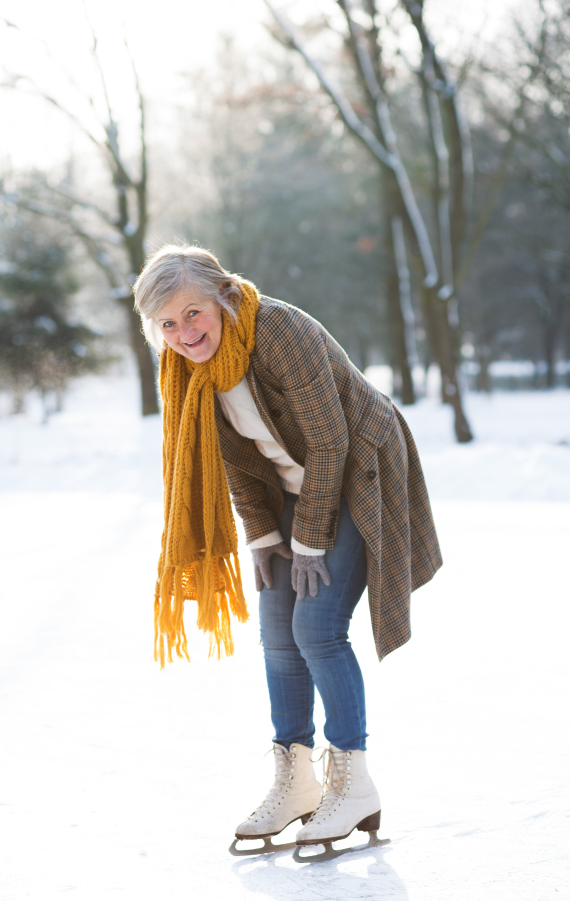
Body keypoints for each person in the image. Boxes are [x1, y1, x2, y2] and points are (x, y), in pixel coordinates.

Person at [133, 245, 442, 859]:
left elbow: (330, 442)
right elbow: (239, 465)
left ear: (222, 295)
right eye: (167, 324)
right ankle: (296, 778)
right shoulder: (190, 372)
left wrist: (309, 542)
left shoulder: (278, 329)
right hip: (292, 486)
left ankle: (352, 780)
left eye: (193, 313)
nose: (184, 334)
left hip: (358, 467)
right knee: (276, 630)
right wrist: (266, 538)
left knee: (318, 625)